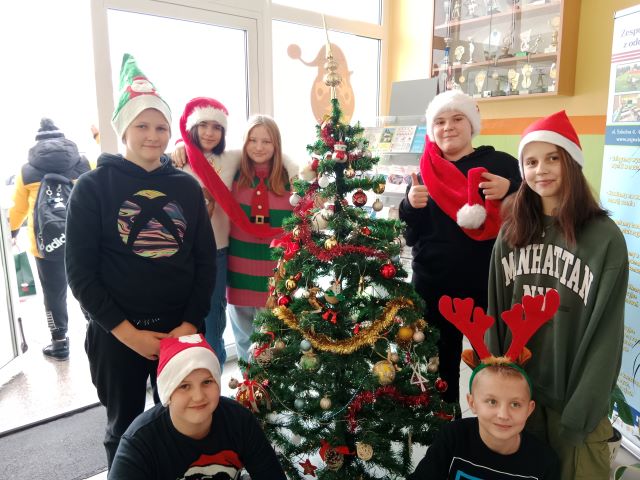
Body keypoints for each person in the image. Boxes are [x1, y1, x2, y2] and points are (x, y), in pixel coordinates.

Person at [65, 53, 216, 467]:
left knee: (184, 420)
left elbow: (205, 263)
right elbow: (80, 274)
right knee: (124, 428)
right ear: (124, 129)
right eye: (142, 126)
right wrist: (127, 333)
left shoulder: (187, 188)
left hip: (181, 330)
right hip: (117, 335)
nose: (153, 136)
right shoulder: (92, 187)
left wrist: (189, 323)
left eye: (161, 127)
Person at [485, 110, 629, 479]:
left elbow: (607, 332)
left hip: (572, 399)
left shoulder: (604, 237)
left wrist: (584, 408)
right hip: (519, 394)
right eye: (531, 162)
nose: (541, 170)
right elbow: (495, 310)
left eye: (553, 158)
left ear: (572, 163)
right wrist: (497, 384)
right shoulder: (511, 231)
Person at [399, 89, 521, 408]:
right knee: (439, 370)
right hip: (433, 286)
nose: (448, 127)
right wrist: (409, 204)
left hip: (487, 286)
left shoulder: (501, 164)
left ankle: (493, 427)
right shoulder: (424, 170)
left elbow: (535, 207)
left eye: (457, 119)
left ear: (472, 124)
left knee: (495, 367)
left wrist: (511, 189)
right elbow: (411, 232)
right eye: (439, 121)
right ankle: (447, 424)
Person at [108, 334, 287, 479]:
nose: (199, 396)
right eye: (184, 386)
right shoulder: (139, 442)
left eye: (207, 382)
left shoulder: (239, 420)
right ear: (167, 393)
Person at [9, 117, 90, 360]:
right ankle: (97, 329)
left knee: (54, 293)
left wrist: (10, 232)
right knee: (88, 285)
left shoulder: (26, 171)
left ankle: (60, 343)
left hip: (45, 243)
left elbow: (18, 210)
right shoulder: (84, 162)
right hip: (82, 237)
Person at [175, 97, 239, 368]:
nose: (210, 133)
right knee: (183, 324)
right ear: (192, 127)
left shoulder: (232, 158)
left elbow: (265, 152)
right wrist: (179, 145)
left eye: (217, 127)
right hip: (182, 255)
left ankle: (214, 380)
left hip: (217, 254)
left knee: (213, 324)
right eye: (203, 125)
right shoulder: (177, 160)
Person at [409, 365, 560, 479]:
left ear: (529, 409)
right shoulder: (453, 436)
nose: (503, 415)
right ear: (472, 403)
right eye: (492, 402)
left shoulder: (545, 462)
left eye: (515, 404)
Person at [227, 115, 295, 363]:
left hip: (274, 276)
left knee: (271, 345)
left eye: (266, 141)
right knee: (244, 341)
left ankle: (267, 387)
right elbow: (204, 161)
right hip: (238, 274)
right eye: (252, 140)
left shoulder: (290, 180)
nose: (258, 147)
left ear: (276, 145)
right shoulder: (233, 176)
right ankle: (247, 384)